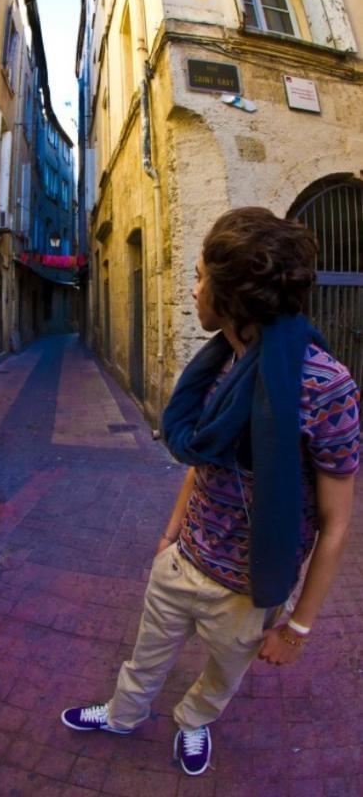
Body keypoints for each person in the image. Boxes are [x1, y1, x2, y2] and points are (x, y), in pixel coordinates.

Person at [61, 207, 360, 776]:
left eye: (200, 278)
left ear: (232, 296)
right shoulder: (218, 366)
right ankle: (122, 714)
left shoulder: (326, 386)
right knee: (145, 656)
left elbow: (337, 522)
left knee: (223, 675)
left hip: (249, 593)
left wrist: (298, 628)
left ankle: (194, 721)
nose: (193, 290)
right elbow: (202, 460)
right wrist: (169, 537)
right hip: (183, 562)